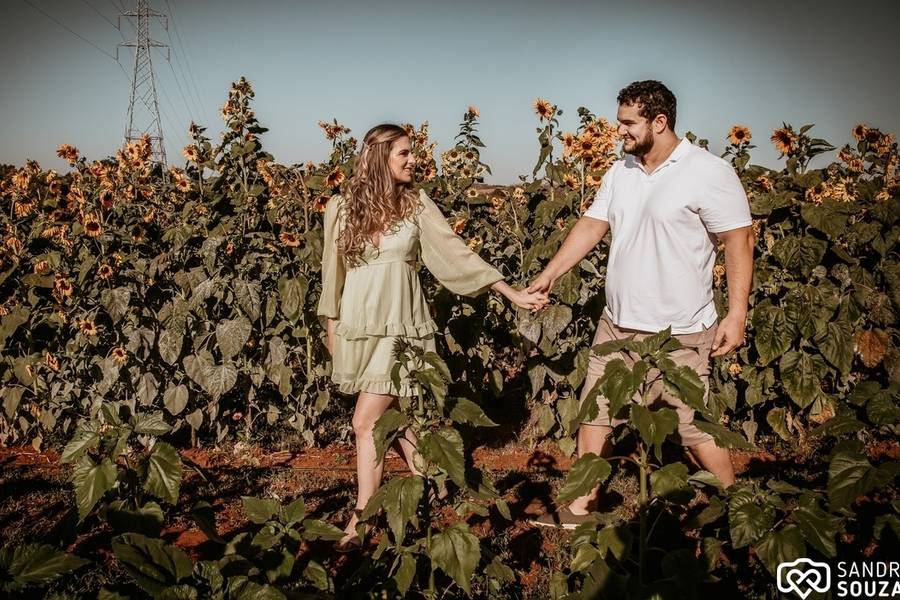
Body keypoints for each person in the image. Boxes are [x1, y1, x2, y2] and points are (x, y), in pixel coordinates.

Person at [528, 81, 754, 529]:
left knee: (692, 428)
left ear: (659, 122)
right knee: (595, 414)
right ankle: (579, 511)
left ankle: (740, 505)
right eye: (620, 123)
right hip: (617, 326)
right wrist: (550, 273)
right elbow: (593, 225)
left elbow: (738, 239)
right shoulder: (621, 172)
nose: (621, 132)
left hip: (681, 330)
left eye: (629, 124)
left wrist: (737, 311)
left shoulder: (708, 172)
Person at [317, 123, 548, 550]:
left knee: (365, 422)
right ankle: (433, 481)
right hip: (359, 326)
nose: (412, 160)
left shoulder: (416, 205)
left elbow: (455, 253)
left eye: (411, 152)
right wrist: (332, 330)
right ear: (379, 158)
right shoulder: (341, 208)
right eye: (403, 153)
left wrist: (509, 291)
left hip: (401, 328)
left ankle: (362, 519)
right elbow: (334, 276)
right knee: (400, 416)